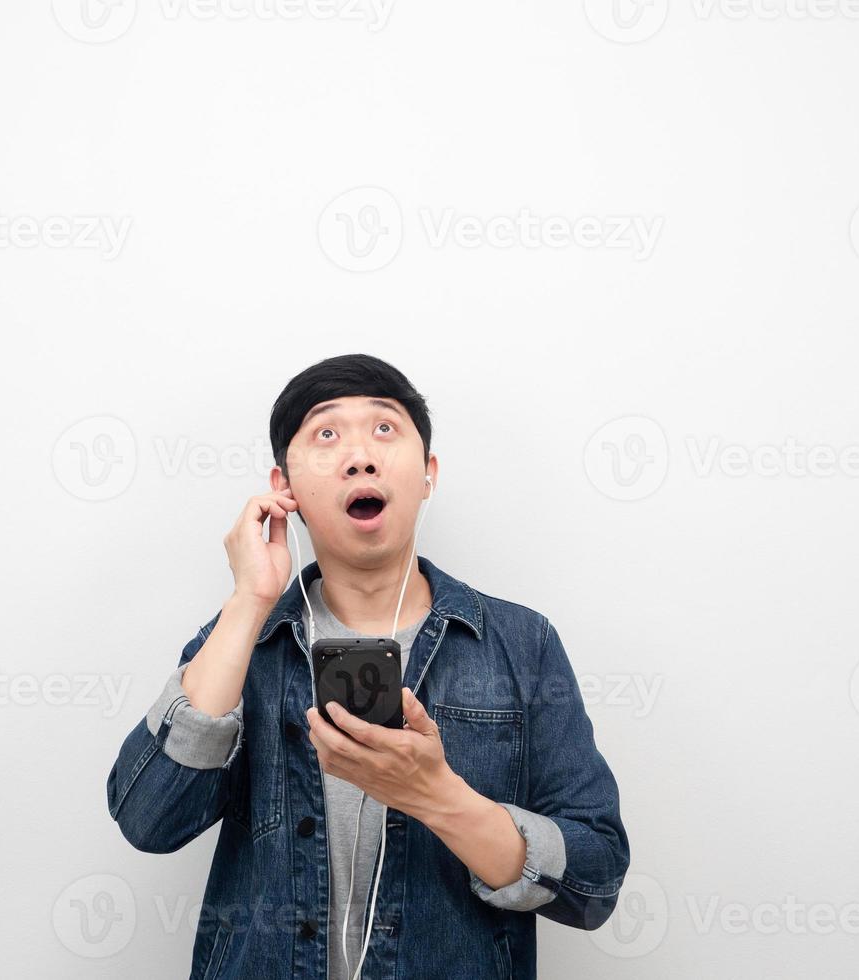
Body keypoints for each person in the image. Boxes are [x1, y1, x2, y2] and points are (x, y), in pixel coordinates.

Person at [107, 353, 629, 979]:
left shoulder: (520, 642)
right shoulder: (244, 642)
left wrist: (439, 799)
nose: (360, 455)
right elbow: (148, 820)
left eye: (385, 429)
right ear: (285, 488)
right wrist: (249, 601)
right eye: (326, 434)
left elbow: (595, 879)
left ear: (428, 473)